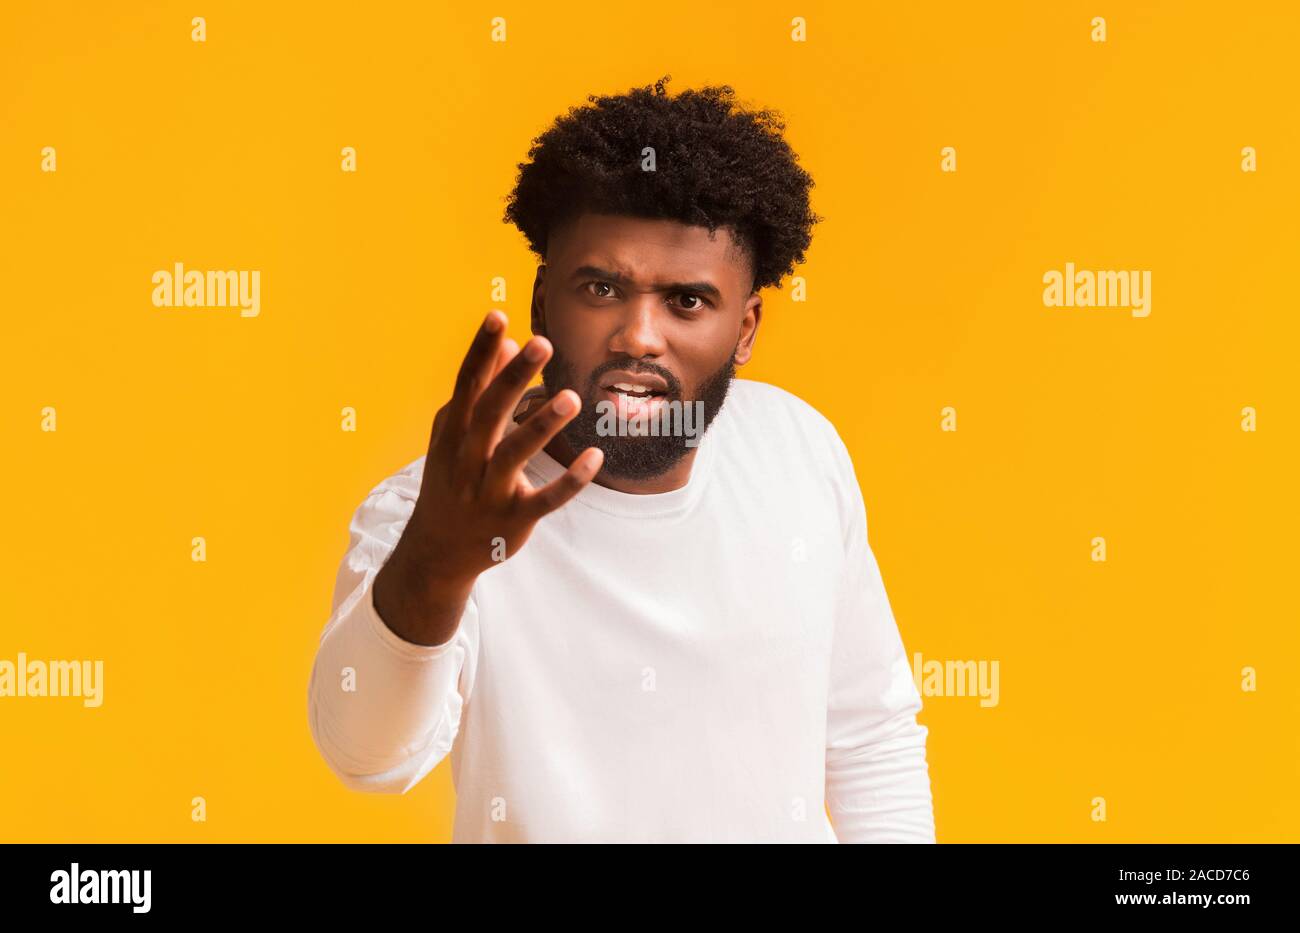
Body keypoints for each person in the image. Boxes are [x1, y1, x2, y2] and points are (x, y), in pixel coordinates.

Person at [306, 76, 936, 843]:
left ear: (746, 327)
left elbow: (871, 736)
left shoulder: (798, 450)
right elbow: (366, 756)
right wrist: (438, 563)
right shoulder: (436, 511)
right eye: (602, 287)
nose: (639, 334)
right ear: (543, 300)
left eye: (687, 301)